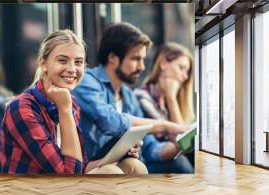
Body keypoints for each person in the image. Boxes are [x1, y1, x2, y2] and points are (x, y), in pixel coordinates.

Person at [0, 30, 147, 174]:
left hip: (61, 186)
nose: (72, 69)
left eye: (78, 62)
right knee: (110, 172)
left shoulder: (71, 103)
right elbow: (69, 174)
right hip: (32, 193)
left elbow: (80, 166)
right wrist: (65, 110)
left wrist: (119, 153)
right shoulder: (22, 108)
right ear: (43, 64)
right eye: (62, 60)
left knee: (133, 166)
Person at [72, 22, 194, 173]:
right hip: (88, 165)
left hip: (118, 164)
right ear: (113, 58)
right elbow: (111, 122)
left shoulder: (129, 97)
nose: (142, 67)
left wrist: (181, 145)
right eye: (136, 59)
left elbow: (150, 148)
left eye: (142, 59)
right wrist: (165, 125)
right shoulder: (87, 81)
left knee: (175, 163)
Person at [135, 42, 195, 125]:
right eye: (181, 68)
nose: (185, 77)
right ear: (163, 64)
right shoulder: (140, 97)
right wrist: (171, 99)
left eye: (187, 72)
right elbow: (178, 134)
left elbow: (183, 136)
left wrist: (171, 99)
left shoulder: (169, 103)